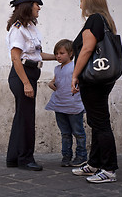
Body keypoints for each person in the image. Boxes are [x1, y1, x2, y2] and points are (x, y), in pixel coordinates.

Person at [71, 0, 118, 183]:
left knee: (100, 123)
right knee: (96, 122)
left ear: (88, 1)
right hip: (101, 79)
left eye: (81, 0)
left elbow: (87, 49)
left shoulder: (95, 19)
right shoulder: (105, 20)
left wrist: (74, 75)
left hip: (93, 80)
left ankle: (108, 169)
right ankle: (95, 163)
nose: (80, 5)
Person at [6, 0, 56, 171]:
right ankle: (25, 159)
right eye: (37, 5)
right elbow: (15, 58)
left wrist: (58, 57)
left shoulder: (30, 27)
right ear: (28, 6)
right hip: (22, 75)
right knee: (26, 119)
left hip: (30, 72)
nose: (39, 8)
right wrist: (26, 83)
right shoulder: (18, 29)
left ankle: (13, 158)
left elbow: (36, 54)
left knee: (21, 117)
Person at [45, 39, 87, 167]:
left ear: (70, 53)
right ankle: (66, 156)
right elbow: (54, 82)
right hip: (60, 106)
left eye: (61, 53)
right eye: (56, 53)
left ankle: (81, 156)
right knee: (65, 133)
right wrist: (55, 86)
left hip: (74, 106)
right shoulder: (57, 69)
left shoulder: (75, 67)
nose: (58, 56)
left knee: (78, 133)